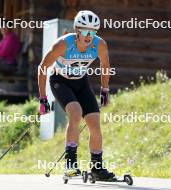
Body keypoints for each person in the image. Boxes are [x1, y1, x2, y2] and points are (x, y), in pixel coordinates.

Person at [38, 10, 115, 180]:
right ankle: (70, 164)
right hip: (60, 81)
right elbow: (43, 67)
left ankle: (97, 167)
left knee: (94, 123)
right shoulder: (63, 44)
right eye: (86, 31)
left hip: (81, 82)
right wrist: (43, 98)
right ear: (77, 30)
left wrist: (104, 90)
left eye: (93, 32)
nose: (89, 36)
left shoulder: (99, 44)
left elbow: (105, 66)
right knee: (76, 113)